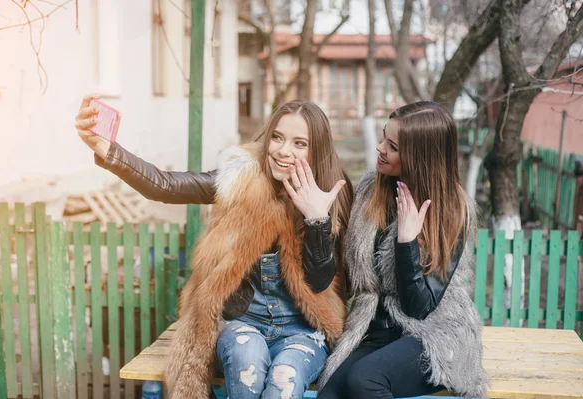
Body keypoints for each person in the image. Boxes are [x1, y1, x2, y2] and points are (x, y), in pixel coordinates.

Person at [74, 95, 353, 399]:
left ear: (318, 150)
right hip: (243, 321)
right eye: (277, 137)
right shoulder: (242, 177)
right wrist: (106, 149)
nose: (283, 151)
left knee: (283, 382)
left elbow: (321, 281)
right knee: (248, 368)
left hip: (303, 326)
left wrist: (316, 221)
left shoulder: (333, 193)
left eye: (300, 143)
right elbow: (165, 185)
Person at [317, 101, 487, 399]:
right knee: (330, 393)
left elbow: (419, 307)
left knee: (365, 380)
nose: (380, 148)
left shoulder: (450, 210)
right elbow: (349, 270)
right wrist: (316, 222)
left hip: (433, 332)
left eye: (392, 146)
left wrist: (407, 242)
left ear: (419, 157)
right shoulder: (372, 190)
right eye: (384, 136)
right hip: (378, 328)